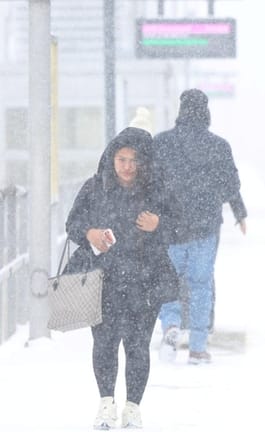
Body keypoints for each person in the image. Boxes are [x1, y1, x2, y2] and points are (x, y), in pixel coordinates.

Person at [65, 126, 178, 429]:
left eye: (134, 160)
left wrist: (159, 223)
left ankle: (132, 407)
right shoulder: (95, 187)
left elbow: (181, 227)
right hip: (104, 280)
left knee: (137, 345)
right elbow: (73, 223)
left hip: (147, 279)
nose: (127, 167)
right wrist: (90, 232)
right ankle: (105, 404)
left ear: (145, 162)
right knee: (104, 343)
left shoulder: (159, 189)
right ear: (112, 158)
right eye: (121, 159)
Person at [152, 88, 242, 364]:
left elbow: (149, 184)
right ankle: (198, 347)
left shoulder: (161, 143)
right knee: (200, 284)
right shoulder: (219, 146)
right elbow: (231, 186)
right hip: (204, 227)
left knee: (168, 282)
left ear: (181, 111)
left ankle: (170, 325)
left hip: (170, 228)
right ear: (206, 112)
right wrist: (232, 206)